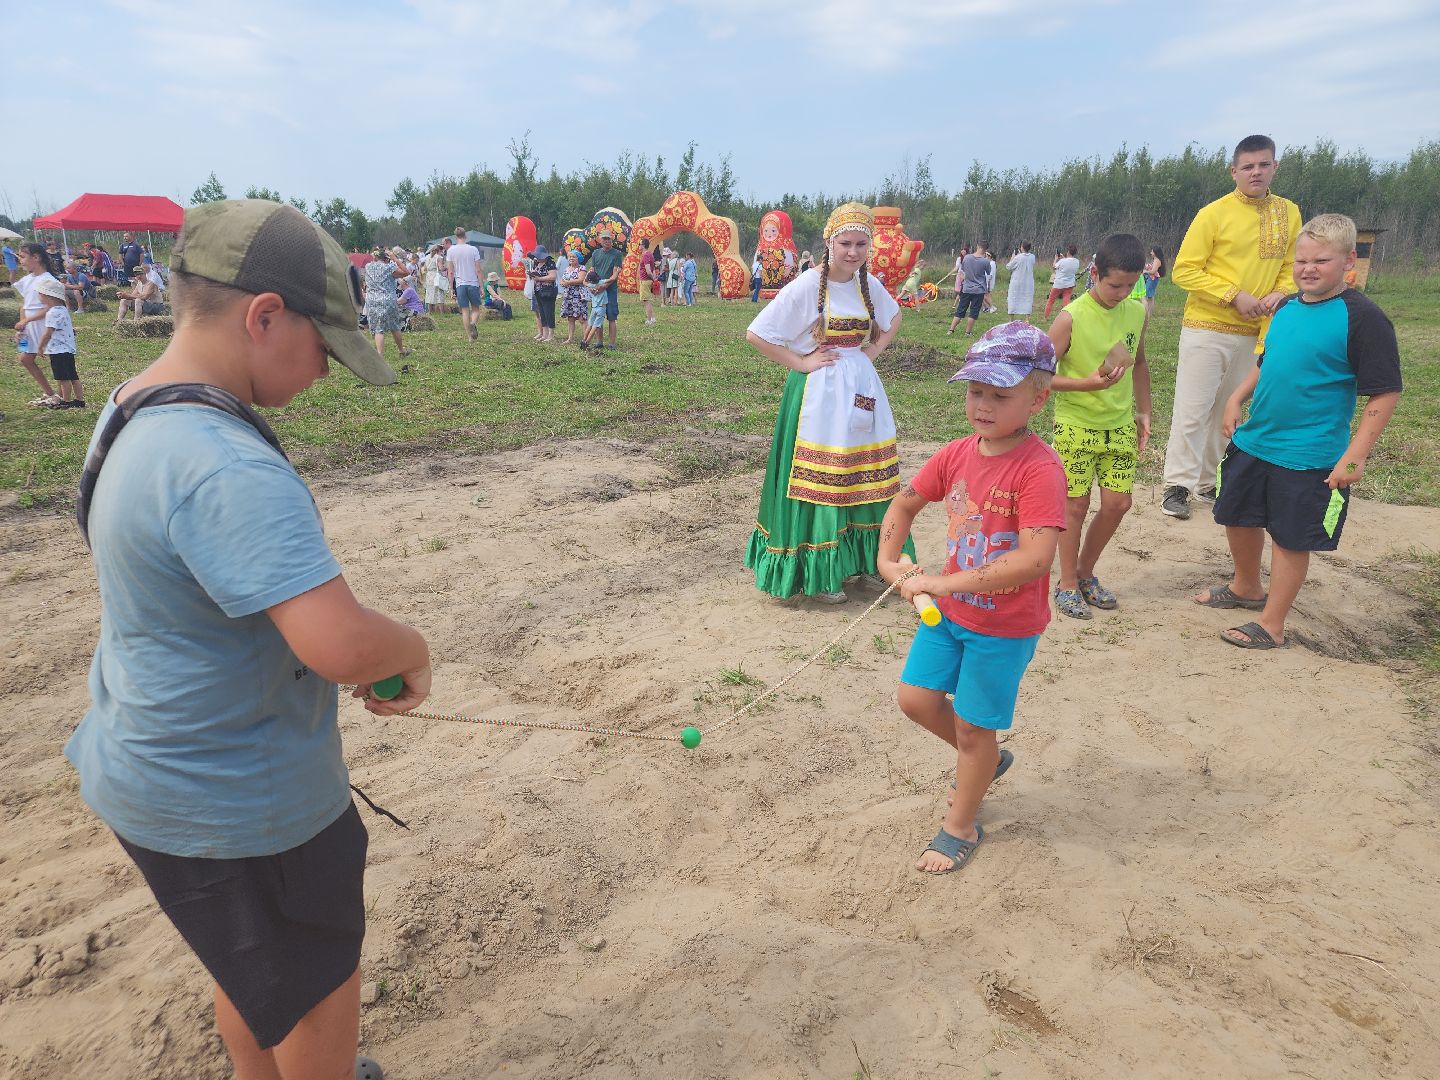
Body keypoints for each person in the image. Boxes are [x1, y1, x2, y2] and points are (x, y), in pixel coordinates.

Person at [64, 198, 428, 1080]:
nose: (328, 372)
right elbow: (342, 647)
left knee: (256, 971)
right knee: (313, 993)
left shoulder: (132, 407)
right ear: (264, 316)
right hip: (243, 807)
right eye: (325, 347)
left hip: (151, 768)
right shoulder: (224, 464)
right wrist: (411, 649)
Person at [875, 322, 1066, 874]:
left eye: (1000, 395)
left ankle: (961, 824)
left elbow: (1035, 560)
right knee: (916, 700)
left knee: (973, 727)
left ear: (1037, 399)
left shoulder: (1039, 469)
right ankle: (985, 761)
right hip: (949, 615)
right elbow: (903, 505)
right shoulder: (956, 454)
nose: (983, 405)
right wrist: (889, 562)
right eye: (975, 391)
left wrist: (941, 583)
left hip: (1003, 626)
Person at [1198, 214, 1402, 649]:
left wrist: (1355, 455)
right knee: (1236, 514)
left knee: (1290, 538)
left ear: (1349, 260)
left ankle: (1272, 625)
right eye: (1301, 260)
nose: (1308, 269)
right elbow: (1267, 360)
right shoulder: (1287, 306)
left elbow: (1385, 392)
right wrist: (1236, 398)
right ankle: (1246, 586)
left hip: (1309, 453)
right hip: (1256, 439)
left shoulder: (1363, 318)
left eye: (1321, 261)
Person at [743, 202, 912, 603]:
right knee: (824, 476)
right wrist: (802, 362)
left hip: (862, 389)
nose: (852, 252)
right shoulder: (807, 284)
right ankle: (820, 572)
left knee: (864, 472)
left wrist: (872, 351)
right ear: (829, 242)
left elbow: (894, 318)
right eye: (845, 243)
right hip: (818, 395)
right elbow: (757, 333)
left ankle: (868, 563)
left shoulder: (869, 284)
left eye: (860, 244)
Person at [1161, 134, 1301, 520]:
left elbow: (1292, 264)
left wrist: (1281, 292)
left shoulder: (1289, 212)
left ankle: (1210, 481)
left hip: (1256, 331)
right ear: (1234, 171)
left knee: (1230, 408)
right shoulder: (1214, 213)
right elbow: (1185, 270)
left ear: (1275, 167)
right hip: (1208, 325)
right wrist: (1232, 294)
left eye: (1264, 164)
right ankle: (1177, 485)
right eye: (1248, 166)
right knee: (1193, 408)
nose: (1256, 172)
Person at [1045, 233, 1152, 619]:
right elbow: (1039, 377)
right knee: (1074, 505)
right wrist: (1085, 384)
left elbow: (1139, 362)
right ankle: (1067, 583)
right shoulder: (1070, 317)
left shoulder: (1137, 312)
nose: (1122, 294)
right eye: (1114, 285)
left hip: (1119, 424)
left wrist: (1144, 411)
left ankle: (1085, 571)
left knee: (1118, 504)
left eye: (1130, 285)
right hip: (1075, 424)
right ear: (1094, 274)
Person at [11, 243, 64, 404]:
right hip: (30, 327)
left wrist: (27, 320)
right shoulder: (27, 280)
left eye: (23, 257)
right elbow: (25, 305)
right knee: (25, 358)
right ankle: (49, 392)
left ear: (36, 257)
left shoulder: (48, 280)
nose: (20, 260)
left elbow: (51, 307)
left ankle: (61, 395)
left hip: (45, 325)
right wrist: (22, 326)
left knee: (56, 359)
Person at [32, 277, 83, 408]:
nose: (39, 296)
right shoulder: (63, 310)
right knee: (73, 377)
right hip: (68, 349)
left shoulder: (53, 313)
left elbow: (48, 332)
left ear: (48, 295)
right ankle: (79, 400)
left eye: (40, 293)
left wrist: (40, 347)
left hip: (58, 350)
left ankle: (66, 401)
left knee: (63, 378)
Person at [361, 251, 412, 359]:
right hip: (388, 300)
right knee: (394, 326)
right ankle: (401, 350)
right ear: (386, 259)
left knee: (378, 329)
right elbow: (406, 272)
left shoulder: (368, 267)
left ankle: (380, 355)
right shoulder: (389, 268)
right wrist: (395, 259)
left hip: (372, 300)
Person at [446, 225, 484, 341]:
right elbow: (478, 269)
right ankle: (473, 323)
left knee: (464, 310)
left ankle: (469, 337)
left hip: (460, 284)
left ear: (456, 237)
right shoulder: (473, 249)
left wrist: (451, 288)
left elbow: (450, 272)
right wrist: (481, 286)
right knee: (476, 309)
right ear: (465, 236)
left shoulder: (451, 251)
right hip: (473, 283)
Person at [587, 228, 623, 349]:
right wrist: (592, 286)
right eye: (604, 238)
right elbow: (593, 271)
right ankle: (599, 342)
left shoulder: (617, 254)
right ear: (600, 240)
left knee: (611, 316)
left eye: (608, 238)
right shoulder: (595, 253)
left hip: (610, 289)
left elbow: (615, 273)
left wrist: (604, 286)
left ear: (611, 240)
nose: (607, 241)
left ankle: (612, 344)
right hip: (597, 289)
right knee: (598, 316)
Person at [948, 241, 992, 337]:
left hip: (966, 288)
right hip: (979, 290)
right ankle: (967, 332)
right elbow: (989, 273)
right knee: (973, 312)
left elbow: (963, 271)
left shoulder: (967, 258)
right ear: (986, 249)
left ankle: (951, 330)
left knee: (960, 309)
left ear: (977, 246)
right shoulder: (985, 261)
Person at [529, 244, 558, 343]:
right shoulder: (536, 263)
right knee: (542, 313)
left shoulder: (550, 263)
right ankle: (544, 334)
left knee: (549, 312)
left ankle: (551, 334)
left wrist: (539, 278)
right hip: (538, 290)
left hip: (548, 291)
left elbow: (552, 277)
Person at [1043, 246, 1081, 320]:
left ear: (1068, 252)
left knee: (1051, 300)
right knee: (1066, 301)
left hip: (1058, 284)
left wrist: (1056, 258)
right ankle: (1065, 317)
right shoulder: (1077, 261)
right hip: (1069, 284)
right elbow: (1068, 264)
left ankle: (1046, 317)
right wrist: (1063, 258)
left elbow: (1054, 267)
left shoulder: (1062, 261)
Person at [558, 249, 587, 343]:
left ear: (578, 258)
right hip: (568, 296)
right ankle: (570, 339)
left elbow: (581, 280)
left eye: (573, 257)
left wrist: (568, 282)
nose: (571, 258)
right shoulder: (567, 269)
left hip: (578, 296)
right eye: (570, 257)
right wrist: (562, 283)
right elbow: (562, 279)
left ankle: (586, 339)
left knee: (582, 318)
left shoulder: (582, 268)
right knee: (570, 318)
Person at [1006, 242, 1036, 321]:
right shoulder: (1032, 257)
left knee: (1013, 297)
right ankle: (1027, 319)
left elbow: (1008, 267)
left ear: (1022, 247)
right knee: (1028, 298)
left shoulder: (1018, 257)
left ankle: (1011, 319)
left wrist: (1013, 256)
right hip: (1028, 282)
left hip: (1017, 281)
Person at [578, 269, 607, 351]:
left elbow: (584, 281)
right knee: (595, 326)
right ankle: (587, 342)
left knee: (590, 325)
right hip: (601, 308)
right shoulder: (601, 283)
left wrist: (588, 273)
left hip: (594, 307)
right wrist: (616, 272)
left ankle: (583, 340)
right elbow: (612, 279)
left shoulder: (589, 285)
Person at [636, 238, 657, 324]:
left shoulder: (645, 255)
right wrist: (654, 279)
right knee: (648, 300)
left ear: (643, 245)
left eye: (640, 244)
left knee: (646, 300)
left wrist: (653, 278)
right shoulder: (650, 254)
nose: (639, 246)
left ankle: (649, 319)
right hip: (648, 280)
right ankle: (653, 318)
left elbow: (648, 271)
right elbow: (653, 269)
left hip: (645, 280)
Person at [423, 245, 448, 312]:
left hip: (429, 276)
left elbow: (425, 268)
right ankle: (442, 312)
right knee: (439, 293)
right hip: (436, 276)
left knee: (430, 294)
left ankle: (430, 311)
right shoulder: (439, 257)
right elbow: (441, 268)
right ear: (439, 250)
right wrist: (446, 267)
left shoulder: (427, 257)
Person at [1142, 246, 1165, 315]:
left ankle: (1148, 313)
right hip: (1151, 279)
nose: (1151, 253)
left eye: (1152, 251)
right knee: (1150, 297)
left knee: (1148, 296)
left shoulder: (1157, 261)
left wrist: (1145, 272)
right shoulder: (1155, 260)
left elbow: (1153, 271)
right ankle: (1148, 312)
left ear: (1155, 252)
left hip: (1152, 280)